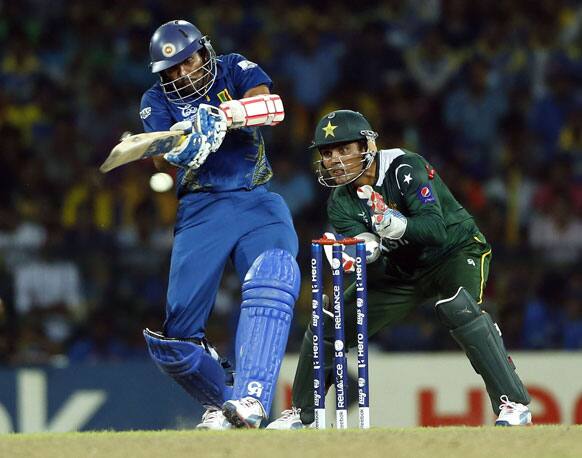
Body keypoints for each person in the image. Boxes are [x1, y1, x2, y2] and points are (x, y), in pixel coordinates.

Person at [267, 109, 531, 429]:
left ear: (368, 147)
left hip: (454, 251)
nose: (335, 159)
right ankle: (301, 414)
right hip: (401, 269)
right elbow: (371, 247)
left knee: (459, 308)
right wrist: (359, 253)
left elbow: (436, 230)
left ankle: (514, 405)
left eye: (343, 149)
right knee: (330, 319)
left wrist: (396, 225)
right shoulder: (340, 201)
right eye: (327, 152)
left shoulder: (404, 167)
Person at [138, 20, 300, 430]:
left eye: (188, 61)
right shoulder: (155, 99)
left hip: (255, 199)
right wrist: (182, 142)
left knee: (275, 273)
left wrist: (224, 115)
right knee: (177, 340)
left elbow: (271, 105)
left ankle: (252, 398)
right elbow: (158, 156)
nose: (182, 73)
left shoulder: (232, 67)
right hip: (201, 209)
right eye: (171, 70)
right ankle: (222, 404)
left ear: (204, 51)